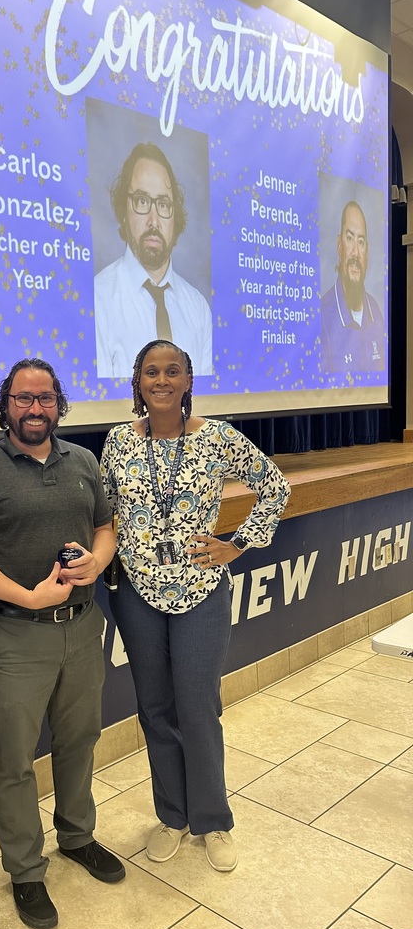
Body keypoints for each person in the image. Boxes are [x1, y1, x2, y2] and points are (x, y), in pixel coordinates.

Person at [100, 339, 289, 873]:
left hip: (200, 592)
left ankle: (213, 820)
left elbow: (273, 487)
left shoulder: (216, 437)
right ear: (137, 382)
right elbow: (104, 511)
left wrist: (237, 542)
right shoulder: (117, 443)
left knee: (198, 706)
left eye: (172, 371)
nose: (161, 380)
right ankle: (173, 816)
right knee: (155, 709)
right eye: (151, 372)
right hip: (137, 595)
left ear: (187, 382)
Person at [0, 358, 124, 929]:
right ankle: (26, 872)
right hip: (16, 636)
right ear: (5, 405)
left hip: (81, 628)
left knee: (79, 739)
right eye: (23, 399)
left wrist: (98, 563)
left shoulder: (84, 462)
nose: (35, 409)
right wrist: (29, 599)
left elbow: (106, 526)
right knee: (15, 762)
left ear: (60, 404)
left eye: (45, 399)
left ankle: (77, 838)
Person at [94, 141, 213, 379]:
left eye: (163, 204)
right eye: (141, 201)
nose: (154, 220)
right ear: (124, 212)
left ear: (174, 217)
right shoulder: (98, 298)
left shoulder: (198, 308)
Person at [321, 200, 386, 373]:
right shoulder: (321, 317)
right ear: (339, 246)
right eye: (350, 238)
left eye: (361, 241)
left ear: (367, 253)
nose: (355, 253)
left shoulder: (376, 313)